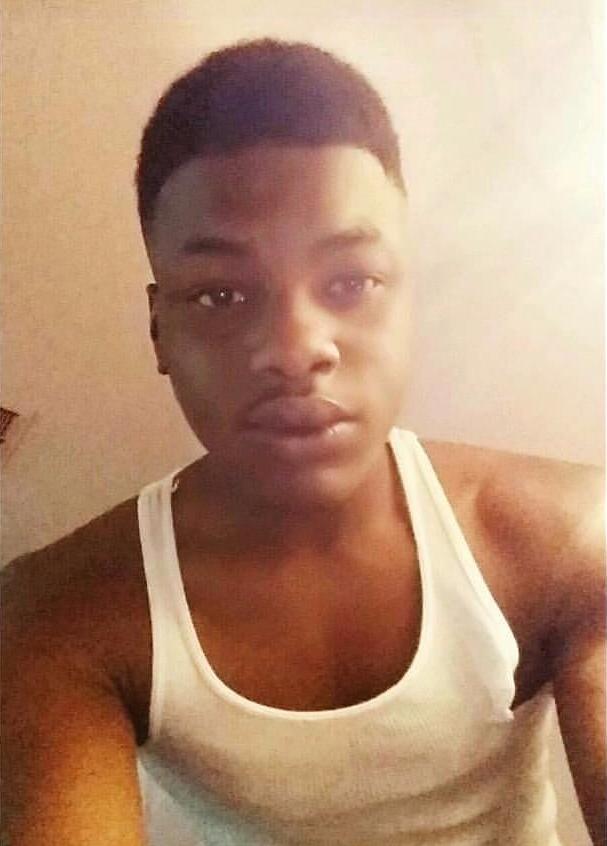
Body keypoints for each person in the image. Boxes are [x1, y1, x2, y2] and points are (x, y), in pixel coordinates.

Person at [2, 38, 604, 846]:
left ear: (407, 300)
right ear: (158, 330)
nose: (293, 348)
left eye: (350, 282)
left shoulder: (563, 537)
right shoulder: (62, 618)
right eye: (220, 294)